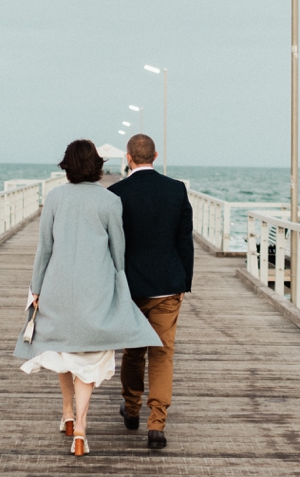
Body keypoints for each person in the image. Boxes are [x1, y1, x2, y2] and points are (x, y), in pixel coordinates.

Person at [15, 139, 162, 456]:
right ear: (97, 166)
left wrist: (36, 288)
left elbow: (45, 248)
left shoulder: (54, 197)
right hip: (95, 290)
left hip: (57, 287)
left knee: (65, 351)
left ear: (66, 165)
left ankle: (67, 413)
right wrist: (119, 284)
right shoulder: (109, 201)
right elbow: (117, 251)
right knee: (87, 356)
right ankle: (79, 428)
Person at [107, 133, 193, 449]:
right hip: (168, 286)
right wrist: (185, 281)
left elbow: (110, 244)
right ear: (154, 156)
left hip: (131, 286)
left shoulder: (115, 193)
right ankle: (156, 424)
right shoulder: (176, 190)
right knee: (162, 353)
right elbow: (185, 239)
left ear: (129, 157)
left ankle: (131, 409)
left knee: (133, 350)